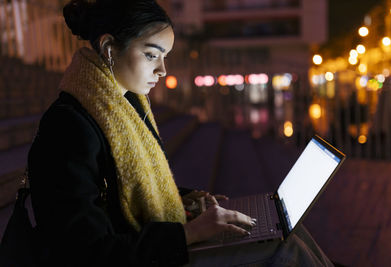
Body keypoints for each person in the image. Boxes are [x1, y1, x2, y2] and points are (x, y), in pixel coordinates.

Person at [27, 0, 334, 266]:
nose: (162, 70)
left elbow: (126, 189)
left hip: (154, 246)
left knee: (290, 231)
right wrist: (191, 233)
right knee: (283, 248)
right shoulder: (68, 128)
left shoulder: (125, 106)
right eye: (151, 55)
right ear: (109, 48)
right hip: (142, 257)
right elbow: (85, 253)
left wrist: (186, 201)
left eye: (165, 57)